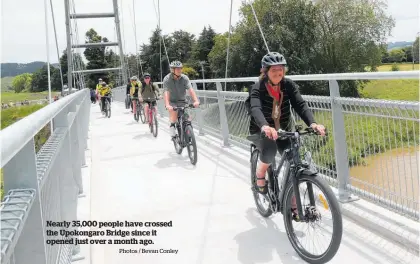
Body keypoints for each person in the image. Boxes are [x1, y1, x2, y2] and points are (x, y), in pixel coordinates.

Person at [249, 52, 326, 196]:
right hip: (261, 130)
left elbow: (300, 104)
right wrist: (265, 126)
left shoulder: (288, 84)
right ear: (265, 72)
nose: (278, 73)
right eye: (273, 70)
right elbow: (255, 108)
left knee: (293, 162)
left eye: (281, 69)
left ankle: (291, 203)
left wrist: (313, 123)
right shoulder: (257, 87)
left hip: (284, 130)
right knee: (270, 150)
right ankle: (260, 172)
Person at [163, 61, 199, 138]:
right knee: (174, 113)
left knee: (188, 119)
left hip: (183, 101)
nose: (180, 70)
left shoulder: (185, 78)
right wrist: (167, 104)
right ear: (173, 70)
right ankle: (172, 126)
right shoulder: (167, 79)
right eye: (177, 69)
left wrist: (196, 100)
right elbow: (166, 92)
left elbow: (191, 90)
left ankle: (188, 134)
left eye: (180, 68)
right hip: (172, 102)